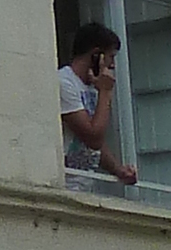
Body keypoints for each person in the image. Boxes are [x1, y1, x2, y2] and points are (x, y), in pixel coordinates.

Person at [58, 20, 136, 185]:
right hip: (68, 182)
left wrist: (117, 169)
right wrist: (106, 92)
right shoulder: (64, 83)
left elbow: (96, 143)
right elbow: (92, 137)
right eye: (111, 57)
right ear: (96, 55)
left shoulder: (93, 87)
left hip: (85, 182)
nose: (113, 65)